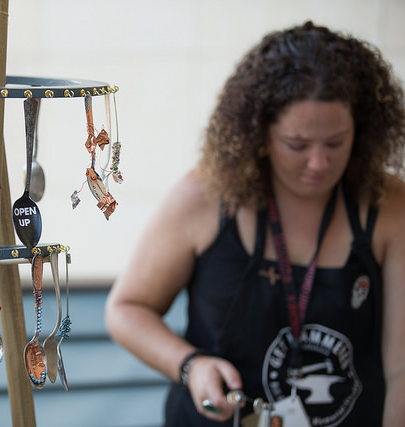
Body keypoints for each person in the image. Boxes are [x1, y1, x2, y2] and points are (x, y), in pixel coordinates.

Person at [105, 21, 405, 426]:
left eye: (336, 142)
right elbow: (126, 309)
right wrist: (190, 365)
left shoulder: (390, 205)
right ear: (259, 134)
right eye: (296, 145)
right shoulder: (206, 194)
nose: (319, 162)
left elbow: (401, 369)